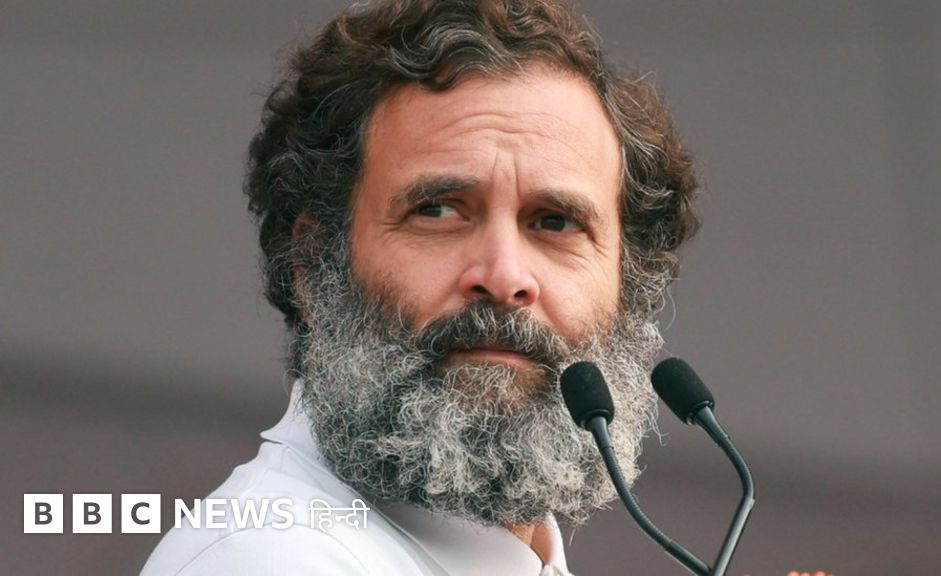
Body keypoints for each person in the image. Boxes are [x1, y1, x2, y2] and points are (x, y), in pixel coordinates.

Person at [140, 0, 699, 574]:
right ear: (313, 266)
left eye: (555, 222)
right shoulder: (274, 557)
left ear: (630, 281)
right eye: (437, 211)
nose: (504, 277)